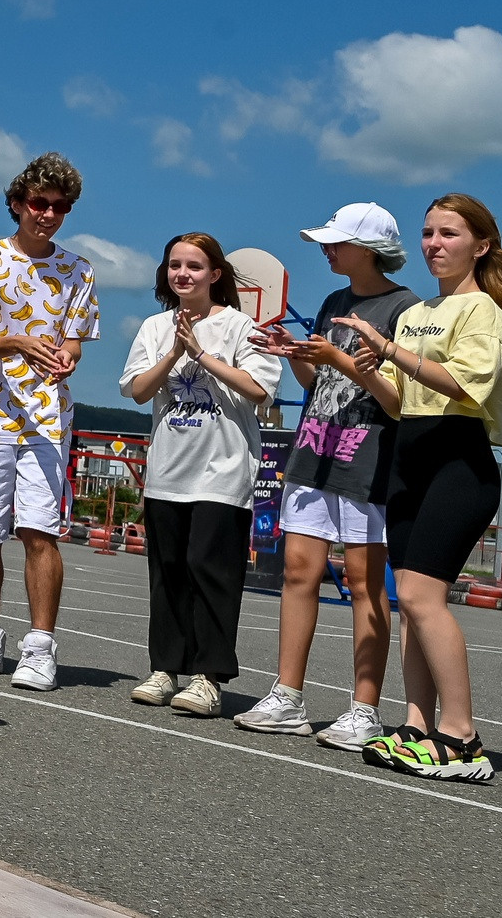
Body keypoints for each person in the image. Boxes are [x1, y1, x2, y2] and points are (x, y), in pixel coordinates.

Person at [330, 195, 502, 783]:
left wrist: (390, 350)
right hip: (410, 452)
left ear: (481, 245)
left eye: (449, 234)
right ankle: (418, 727)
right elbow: (396, 399)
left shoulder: (485, 310)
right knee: (409, 602)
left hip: (457, 459)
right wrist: (360, 365)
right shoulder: (419, 314)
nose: (434, 244)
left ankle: (462, 737)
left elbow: (464, 387)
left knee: (422, 599)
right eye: (427, 233)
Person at [238, 204, 416, 748]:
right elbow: (318, 382)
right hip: (316, 447)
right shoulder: (334, 302)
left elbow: (401, 400)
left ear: (370, 249)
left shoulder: (405, 308)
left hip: (367, 455)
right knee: (298, 571)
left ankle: (365, 709)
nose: (326, 249)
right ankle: (287, 695)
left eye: (337, 242)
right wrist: (293, 355)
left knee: (365, 584)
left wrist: (333, 361)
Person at [0, 153, 99, 691]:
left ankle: (40, 647)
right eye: (39, 203)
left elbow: (76, 341)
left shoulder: (78, 269)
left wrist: (67, 357)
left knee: (41, 531)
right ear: (17, 204)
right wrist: (16, 340)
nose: (48, 214)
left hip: (47, 419)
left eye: (60, 207)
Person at [119, 234, 281, 718]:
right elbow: (137, 390)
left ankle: (209, 676)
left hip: (222, 472)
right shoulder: (153, 326)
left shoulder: (241, 326)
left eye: (194, 266)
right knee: (167, 573)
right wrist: (173, 353)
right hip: (169, 470)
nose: (182, 274)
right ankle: (164, 668)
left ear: (215, 274)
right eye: (174, 265)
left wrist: (203, 355)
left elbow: (258, 389)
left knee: (210, 571)